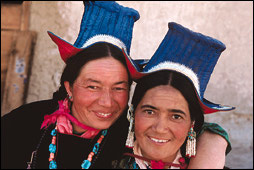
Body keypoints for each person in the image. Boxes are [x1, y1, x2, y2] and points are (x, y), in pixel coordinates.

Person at [1, 2, 232, 169]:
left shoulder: (129, 133)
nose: (106, 101)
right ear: (69, 87)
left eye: (119, 87)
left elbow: (198, 130)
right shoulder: (22, 124)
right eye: (93, 86)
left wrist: (213, 149)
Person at [113, 22, 235, 169]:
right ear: (133, 113)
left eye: (176, 116)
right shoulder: (104, 156)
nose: (160, 128)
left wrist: (214, 142)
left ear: (192, 123)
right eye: (149, 112)